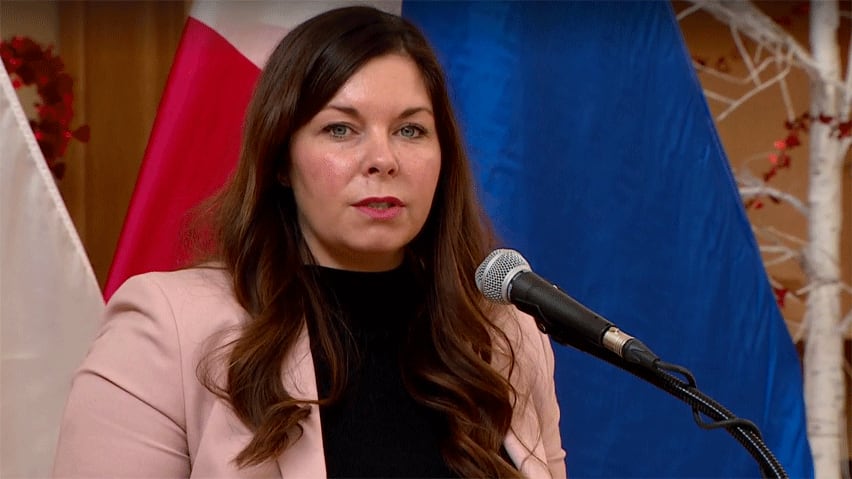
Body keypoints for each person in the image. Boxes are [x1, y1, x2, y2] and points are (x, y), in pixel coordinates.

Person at [52, 6, 566, 479]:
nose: (382, 159)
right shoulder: (168, 329)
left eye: (410, 131)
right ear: (280, 160)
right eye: (341, 130)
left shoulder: (505, 332)